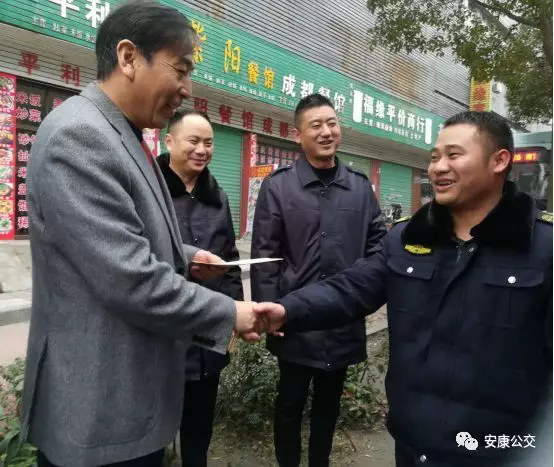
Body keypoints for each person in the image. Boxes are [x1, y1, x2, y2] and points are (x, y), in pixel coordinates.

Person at [22, 3, 260, 466]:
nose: (186, 89)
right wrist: (231, 313)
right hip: (97, 409)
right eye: (180, 70)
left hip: (124, 403)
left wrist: (186, 257)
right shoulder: (80, 136)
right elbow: (129, 279)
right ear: (129, 57)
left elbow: (126, 237)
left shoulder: (123, 134)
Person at [255, 111, 553, 467]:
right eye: (434, 157)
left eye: (453, 155)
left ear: (499, 161)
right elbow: (351, 288)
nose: (438, 168)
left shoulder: (542, 248)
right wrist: (285, 309)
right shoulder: (407, 239)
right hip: (413, 445)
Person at [251, 93, 386, 467]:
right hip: (294, 320)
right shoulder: (279, 187)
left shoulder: (360, 188)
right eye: (316, 125)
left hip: (342, 319)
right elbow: (265, 255)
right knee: (289, 404)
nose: (326, 132)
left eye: (332, 123)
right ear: (298, 135)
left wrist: (363, 299)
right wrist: (269, 312)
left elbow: (378, 249)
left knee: (328, 406)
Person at [158, 110, 243, 466]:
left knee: (199, 428)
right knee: (154, 430)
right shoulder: (150, 191)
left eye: (208, 143)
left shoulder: (217, 197)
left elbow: (231, 259)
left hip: (207, 332)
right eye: (193, 141)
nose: (202, 150)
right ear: (169, 141)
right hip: (161, 331)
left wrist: (235, 313)